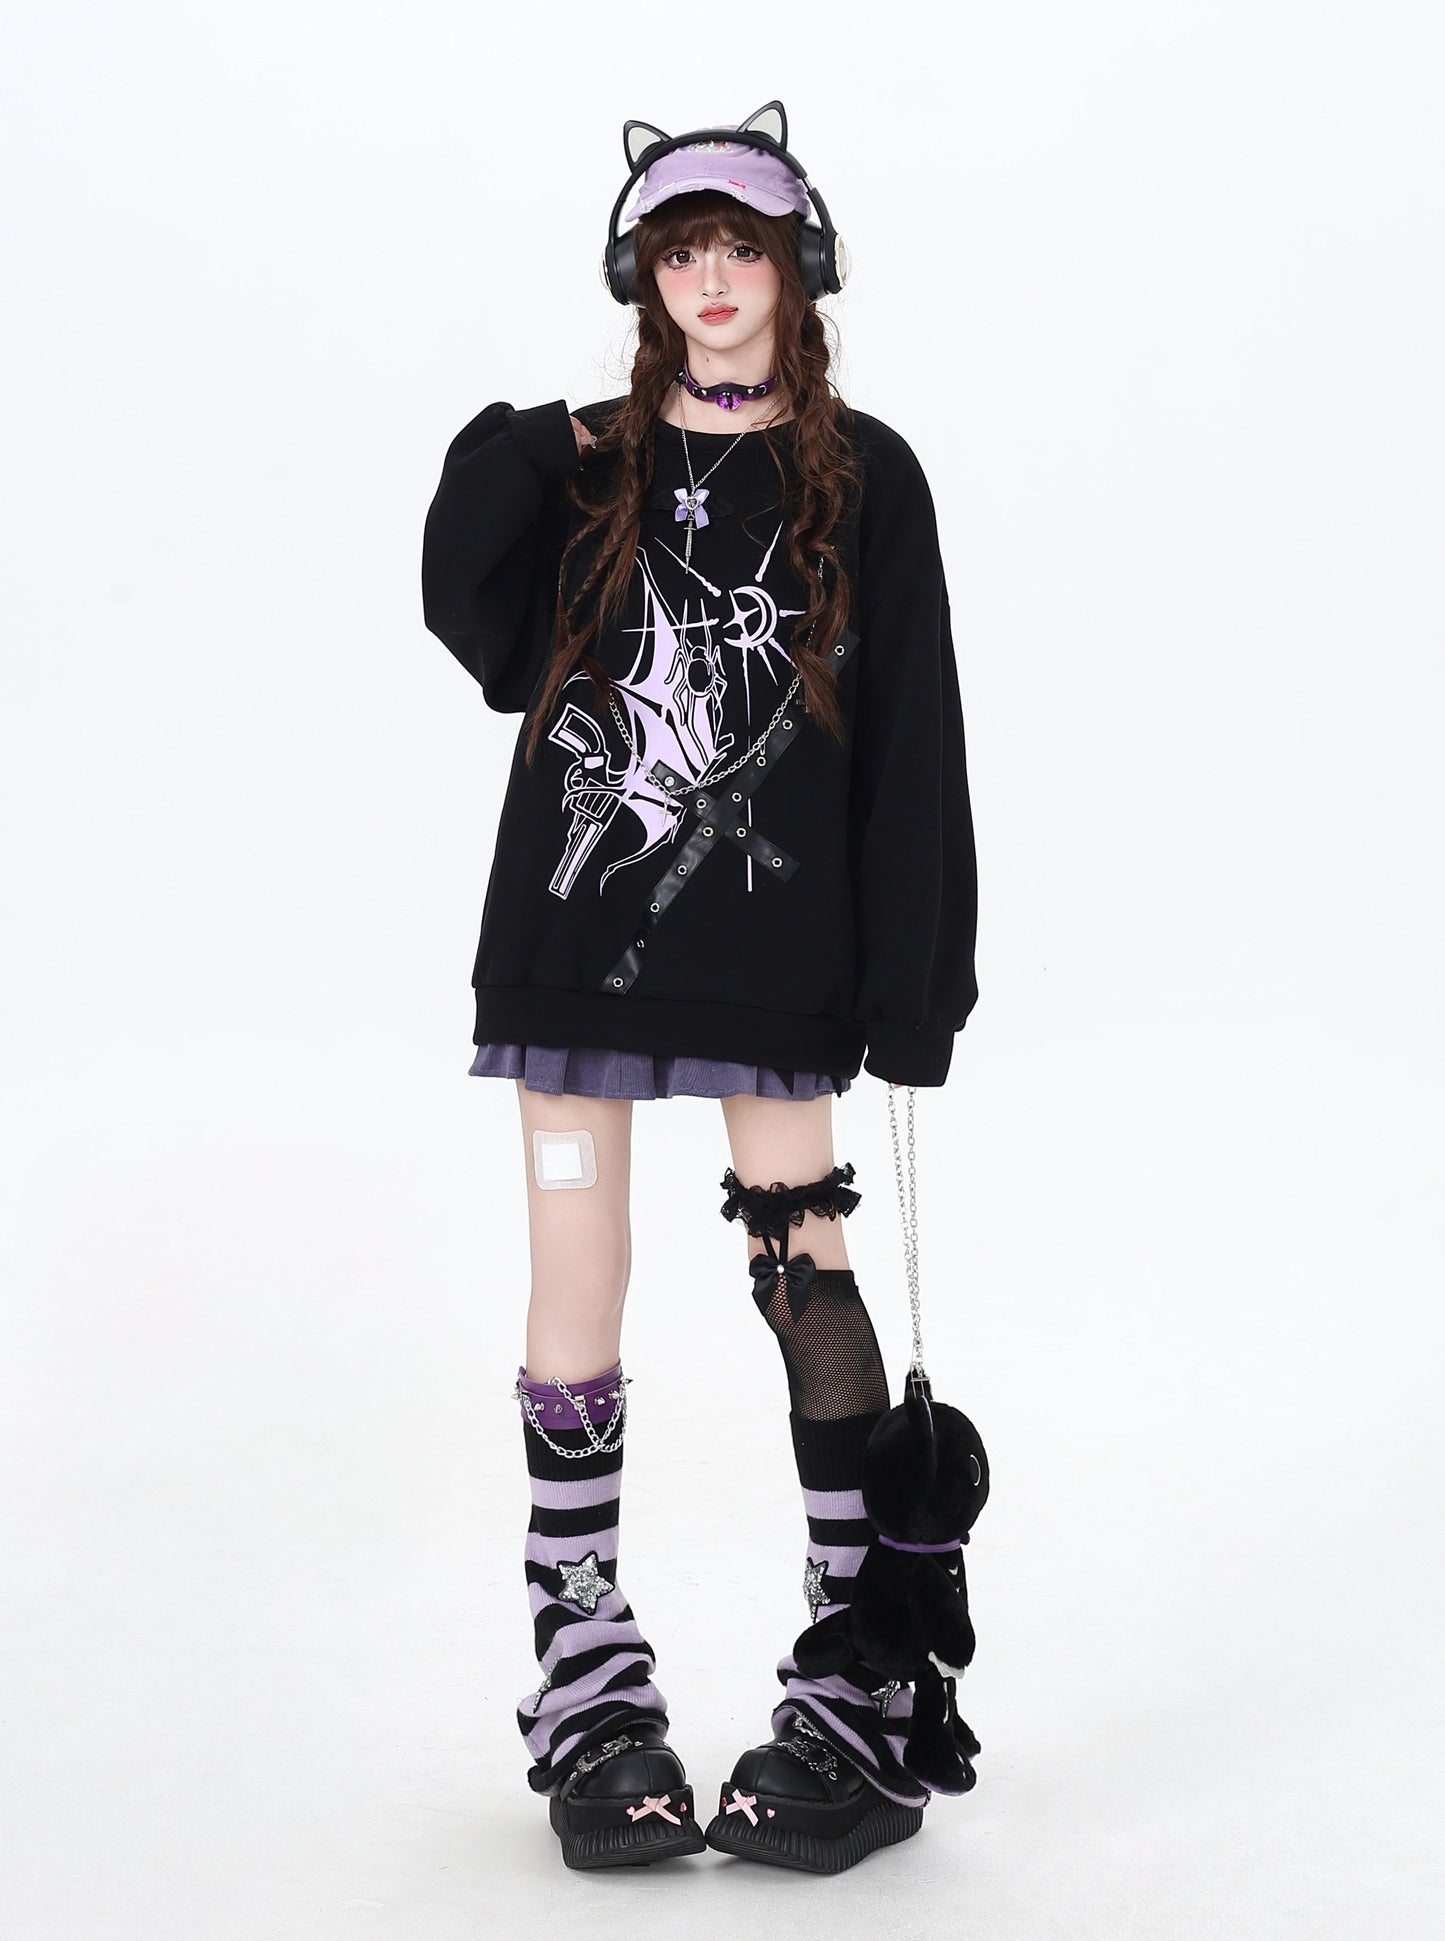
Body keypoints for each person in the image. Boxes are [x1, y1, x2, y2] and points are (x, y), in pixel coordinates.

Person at [419, 100, 979, 1874]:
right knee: (572, 1271)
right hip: (572, 927)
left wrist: (917, 977)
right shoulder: (589, 468)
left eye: (741, 246)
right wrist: (549, 437)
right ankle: (585, 1679)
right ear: (641, 275)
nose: (713, 280)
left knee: (801, 1267)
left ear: (795, 268)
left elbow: (913, 733)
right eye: (680, 251)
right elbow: (470, 617)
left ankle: (858, 1674)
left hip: (776, 946)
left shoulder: (866, 473)